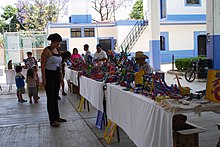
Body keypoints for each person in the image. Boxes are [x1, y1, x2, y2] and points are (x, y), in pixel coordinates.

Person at [41, 33, 67, 127]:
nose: (58, 44)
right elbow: (43, 66)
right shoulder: (46, 51)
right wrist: (44, 79)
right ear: (53, 42)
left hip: (56, 74)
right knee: (50, 98)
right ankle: (52, 120)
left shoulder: (57, 50)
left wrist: (60, 75)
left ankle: (57, 117)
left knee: (55, 97)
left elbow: (59, 64)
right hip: (49, 75)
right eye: (57, 43)